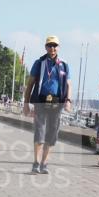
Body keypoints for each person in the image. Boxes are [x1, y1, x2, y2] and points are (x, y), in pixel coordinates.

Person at [22, 36, 72, 174]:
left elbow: (68, 84)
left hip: (57, 102)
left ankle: (44, 163)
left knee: (52, 134)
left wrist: (68, 101)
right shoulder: (39, 63)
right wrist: (26, 104)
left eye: (55, 45)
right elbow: (30, 84)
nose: (52, 48)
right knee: (40, 131)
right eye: (50, 45)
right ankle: (36, 162)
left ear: (58, 47)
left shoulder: (64, 65)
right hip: (41, 101)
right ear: (45, 47)